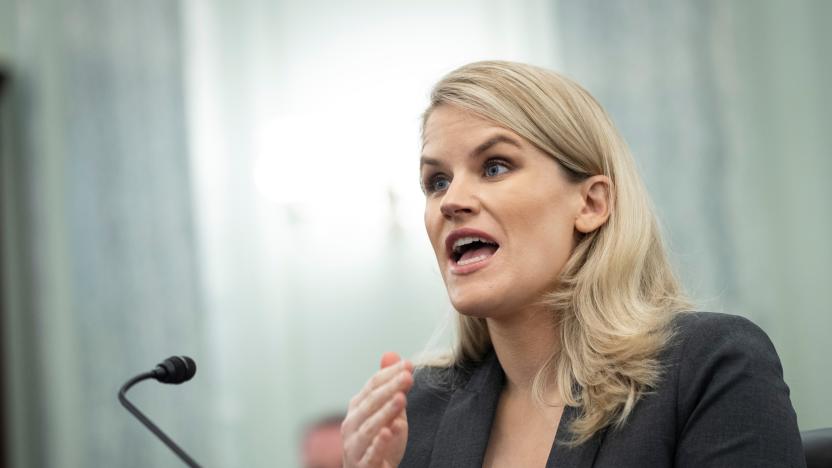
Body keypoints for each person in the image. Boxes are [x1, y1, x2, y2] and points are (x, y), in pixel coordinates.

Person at [340, 61, 805, 467]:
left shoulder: (710, 365)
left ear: (591, 203)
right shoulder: (414, 411)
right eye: (436, 181)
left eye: (495, 167)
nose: (451, 201)